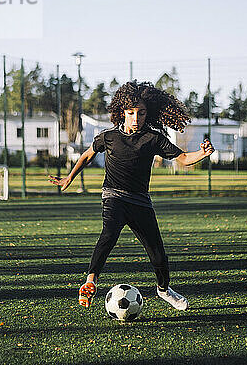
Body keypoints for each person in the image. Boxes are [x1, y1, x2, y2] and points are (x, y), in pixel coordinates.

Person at [49, 81, 214, 311]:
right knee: (109, 233)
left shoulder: (153, 139)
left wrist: (203, 153)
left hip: (140, 201)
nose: (136, 118)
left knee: (158, 254)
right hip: (113, 196)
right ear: (121, 113)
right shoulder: (109, 137)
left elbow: (184, 158)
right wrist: (69, 178)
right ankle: (90, 282)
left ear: (149, 113)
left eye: (141, 113)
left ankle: (164, 290)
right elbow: (87, 155)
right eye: (131, 113)